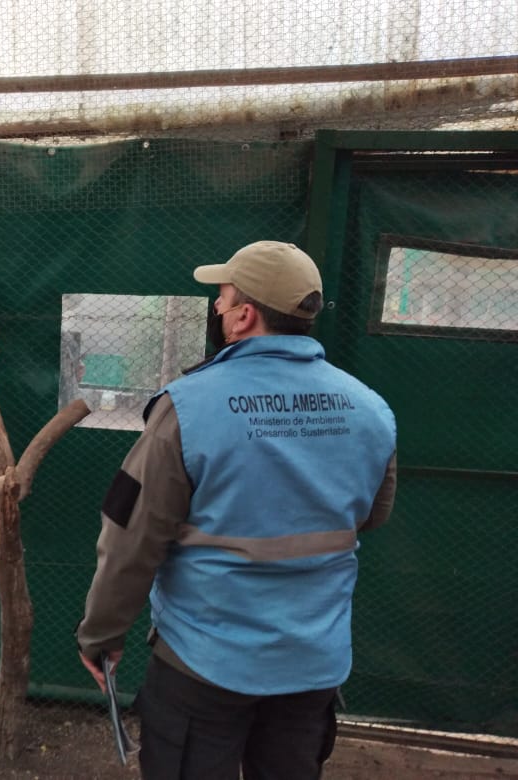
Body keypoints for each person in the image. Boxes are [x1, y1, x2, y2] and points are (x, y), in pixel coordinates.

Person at [76, 241, 397, 779]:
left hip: (204, 663)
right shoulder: (370, 408)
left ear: (245, 315)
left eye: (222, 299)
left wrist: (102, 634)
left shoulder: (186, 407)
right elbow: (373, 514)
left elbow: (131, 539)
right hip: (312, 665)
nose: (218, 309)